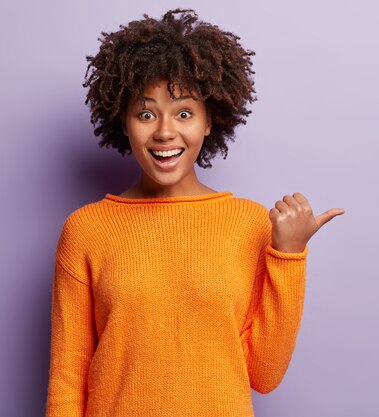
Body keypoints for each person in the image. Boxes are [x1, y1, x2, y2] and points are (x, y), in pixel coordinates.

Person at [45, 8, 344, 417]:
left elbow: (265, 375)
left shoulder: (249, 224)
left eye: (184, 113)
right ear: (125, 122)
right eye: (146, 113)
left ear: (209, 121)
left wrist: (288, 256)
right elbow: (67, 378)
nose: (165, 131)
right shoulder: (87, 230)